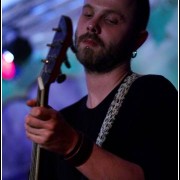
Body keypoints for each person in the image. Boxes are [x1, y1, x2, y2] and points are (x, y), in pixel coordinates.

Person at [25, 0, 178, 179]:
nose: (92, 25)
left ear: (138, 40)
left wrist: (71, 144)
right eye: (88, 14)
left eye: (111, 20)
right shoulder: (64, 121)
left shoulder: (152, 94)